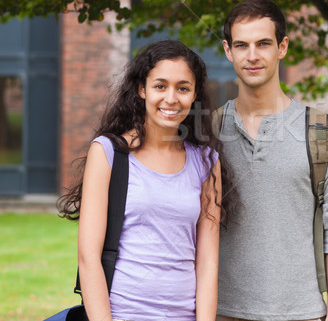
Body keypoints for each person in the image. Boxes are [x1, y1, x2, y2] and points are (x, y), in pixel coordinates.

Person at [59, 40, 236, 321]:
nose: (171, 98)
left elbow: (207, 263)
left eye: (183, 88)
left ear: (194, 95)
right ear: (142, 89)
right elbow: (88, 258)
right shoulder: (108, 152)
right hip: (121, 314)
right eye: (160, 86)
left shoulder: (206, 161)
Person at [216, 0, 328, 321]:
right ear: (227, 50)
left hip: (303, 312)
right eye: (241, 45)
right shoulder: (207, 131)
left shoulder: (322, 132)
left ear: (282, 47)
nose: (252, 55)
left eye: (263, 43)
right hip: (221, 312)